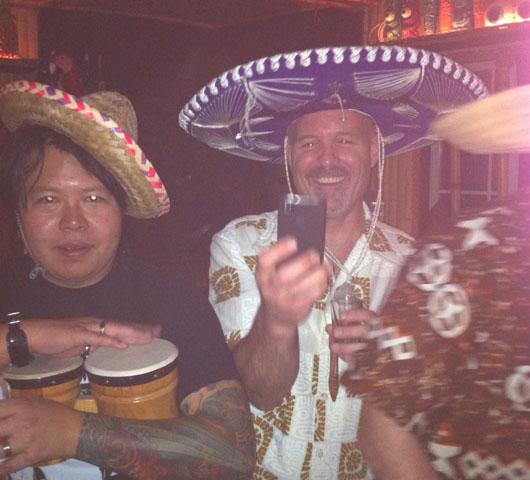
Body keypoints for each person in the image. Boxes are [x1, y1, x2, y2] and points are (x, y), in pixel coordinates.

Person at [179, 45, 486, 478]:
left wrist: (389, 357)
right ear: (289, 155)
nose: (327, 159)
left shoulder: (412, 261)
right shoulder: (241, 243)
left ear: (374, 151)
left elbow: (435, 411)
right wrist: (277, 320)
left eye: (345, 140)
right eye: (309, 144)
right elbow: (256, 393)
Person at [0, 80, 255, 479]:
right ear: (19, 213)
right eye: (48, 200)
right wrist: (23, 338)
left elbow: (234, 453)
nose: (72, 222)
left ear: (122, 212)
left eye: (94, 198)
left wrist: (72, 433)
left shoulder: (173, 302)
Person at [344, 189, 530, 479]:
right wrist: (278, 324)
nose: (327, 164)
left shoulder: (403, 248)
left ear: (371, 162)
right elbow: (383, 428)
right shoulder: (461, 249)